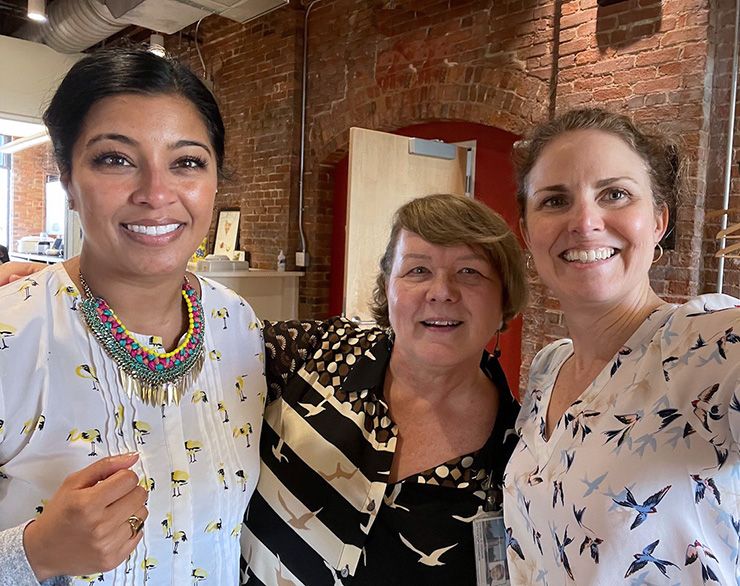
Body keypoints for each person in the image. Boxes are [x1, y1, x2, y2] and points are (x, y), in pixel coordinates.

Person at [0, 49, 265, 585]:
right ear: (69, 182)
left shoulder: (239, 324)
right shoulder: (13, 334)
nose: (156, 194)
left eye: (187, 162)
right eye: (115, 160)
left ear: (215, 183)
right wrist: (34, 553)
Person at [504, 108, 740, 584]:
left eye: (615, 194)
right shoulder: (549, 368)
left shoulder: (709, 345)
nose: (586, 221)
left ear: (658, 221)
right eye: (554, 201)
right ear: (528, 235)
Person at [241, 193, 527, 585]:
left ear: (504, 300)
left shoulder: (522, 457)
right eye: (418, 271)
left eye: (470, 272)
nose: (441, 291)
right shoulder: (312, 353)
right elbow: (195, 348)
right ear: (387, 287)